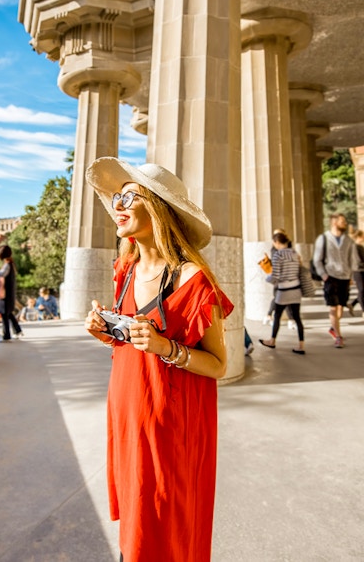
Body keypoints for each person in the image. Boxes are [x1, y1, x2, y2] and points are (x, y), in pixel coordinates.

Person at [84, 157, 233, 562]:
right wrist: (109, 333)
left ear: (160, 208)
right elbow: (134, 343)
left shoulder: (193, 280)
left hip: (172, 425)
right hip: (129, 411)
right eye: (117, 196)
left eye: (129, 196)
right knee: (137, 517)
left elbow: (219, 364)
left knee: (168, 525)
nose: (118, 204)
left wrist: (166, 348)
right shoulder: (126, 269)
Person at [313, 213, 358, 347]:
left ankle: (334, 328)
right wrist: (323, 275)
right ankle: (338, 336)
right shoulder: (323, 238)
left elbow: (352, 259)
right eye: (342, 221)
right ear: (334, 223)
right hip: (330, 277)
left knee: (340, 307)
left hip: (344, 277)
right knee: (333, 307)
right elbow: (317, 259)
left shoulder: (348, 240)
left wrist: (351, 275)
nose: (345, 224)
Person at [259, 231, 305, 354]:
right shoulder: (295, 253)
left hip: (284, 291)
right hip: (296, 289)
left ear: (278, 242)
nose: (274, 245)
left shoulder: (278, 255)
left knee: (277, 316)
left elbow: (276, 276)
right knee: (297, 318)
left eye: (274, 243)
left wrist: (267, 277)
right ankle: (301, 345)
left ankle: (272, 341)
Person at [263, 229, 296, 330]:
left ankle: (268, 316)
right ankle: (291, 320)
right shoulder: (274, 248)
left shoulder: (287, 245)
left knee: (279, 298)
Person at [0, 245, 23, 342]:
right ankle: (18, 330)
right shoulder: (10, 264)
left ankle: (6, 335)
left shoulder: (7, 265)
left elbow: (1, 274)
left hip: (5, 294)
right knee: (8, 313)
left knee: (4, 314)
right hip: (9, 293)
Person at [348, 229, 364, 317]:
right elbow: (358, 261)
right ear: (359, 236)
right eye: (363, 236)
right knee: (361, 290)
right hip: (358, 271)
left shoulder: (360, 246)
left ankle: (352, 304)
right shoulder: (355, 246)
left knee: (363, 291)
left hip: (362, 270)